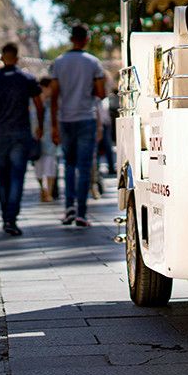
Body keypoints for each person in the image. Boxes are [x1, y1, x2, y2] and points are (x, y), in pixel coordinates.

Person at [0, 43, 44, 236]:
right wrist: (41, 127)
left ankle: (6, 216)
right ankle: (11, 218)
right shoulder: (27, 79)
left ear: (2, 58)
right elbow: (39, 104)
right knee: (17, 178)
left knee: (2, 178)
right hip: (21, 133)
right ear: (17, 58)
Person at [50, 25, 106, 227]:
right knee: (84, 168)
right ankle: (82, 212)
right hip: (86, 118)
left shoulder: (59, 62)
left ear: (71, 39)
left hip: (65, 119)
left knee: (69, 165)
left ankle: (68, 208)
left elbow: (54, 95)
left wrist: (53, 126)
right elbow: (101, 93)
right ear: (86, 39)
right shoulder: (93, 63)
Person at [34, 77, 59, 202]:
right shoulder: (35, 101)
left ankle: (48, 192)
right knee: (38, 167)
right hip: (38, 139)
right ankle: (43, 190)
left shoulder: (53, 102)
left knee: (50, 165)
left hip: (50, 139)